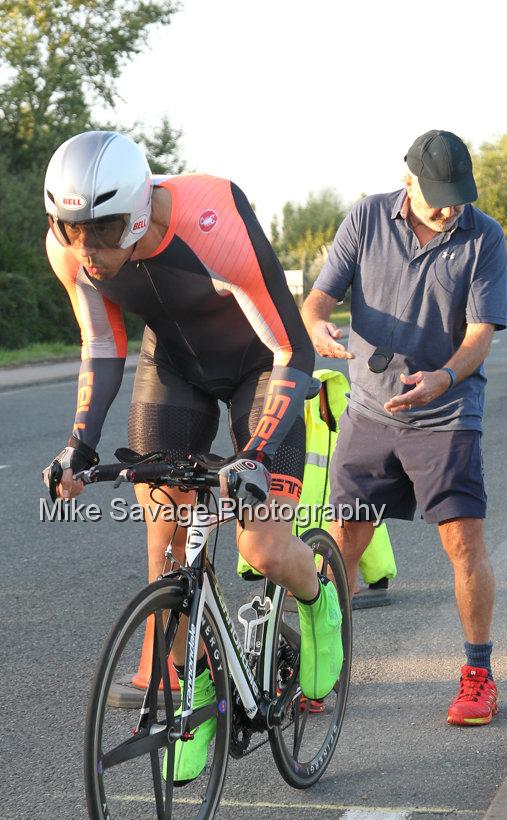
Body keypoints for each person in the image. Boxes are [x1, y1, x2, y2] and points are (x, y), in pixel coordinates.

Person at [41, 129, 343, 780]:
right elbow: (100, 347)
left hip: (264, 368)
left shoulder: (213, 219)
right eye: (70, 230)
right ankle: (196, 688)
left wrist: (257, 451)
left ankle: (319, 605)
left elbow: (295, 349)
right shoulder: (68, 249)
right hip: (172, 370)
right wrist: (78, 446)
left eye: (101, 230)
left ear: (139, 211)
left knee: (259, 547)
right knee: (166, 546)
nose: (86, 250)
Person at [301, 129, 507, 727]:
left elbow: (479, 335)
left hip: (446, 415)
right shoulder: (366, 218)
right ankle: (323, 668)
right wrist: (316, 327)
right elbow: (319, 301)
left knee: (463, 545)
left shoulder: (482, 235)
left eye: (458, 196)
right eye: (438, 195)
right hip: (368, 411)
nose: (449, 208)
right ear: (408, 179)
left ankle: (478, 673)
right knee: (342, 548)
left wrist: (444, 378)